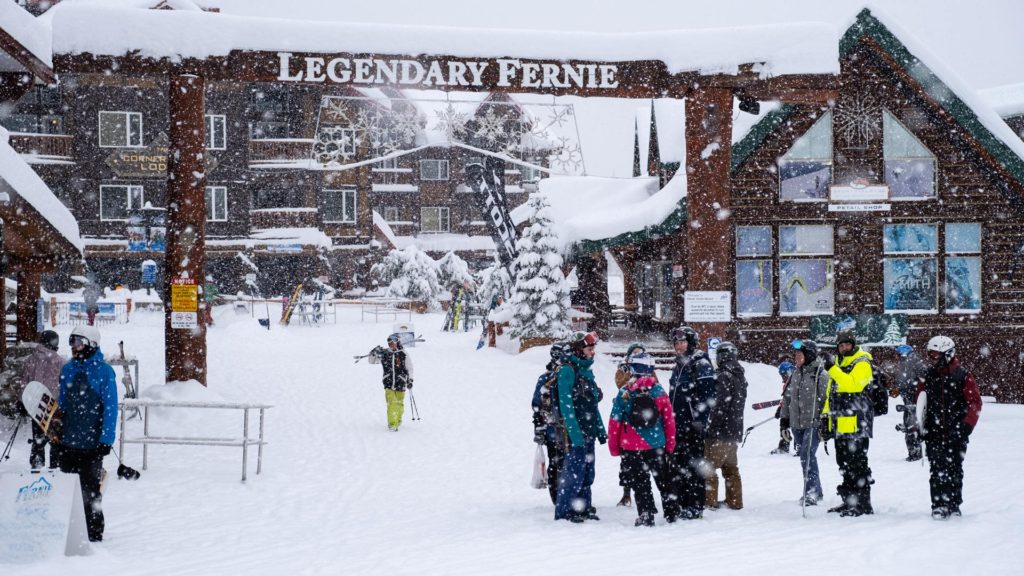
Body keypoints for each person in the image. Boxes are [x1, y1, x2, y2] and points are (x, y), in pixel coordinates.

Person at [58, 325, 118, 543]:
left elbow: (111, 407)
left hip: (92, 443)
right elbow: (62, 403)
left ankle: (93, 532)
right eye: (71, 342)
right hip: (68, 439)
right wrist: (56, 427)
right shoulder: (68, 369)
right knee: (66, 488)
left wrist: (106, 439)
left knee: (90, 490)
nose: (74, 347)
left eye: (78, 342)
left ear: (91, 343)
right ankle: (68, 529)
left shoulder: (103, 371)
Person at [915, 335, 982, 520]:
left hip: (957, 431)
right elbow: (920, 402)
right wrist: (920, 427)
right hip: (934, 432)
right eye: (931, 355)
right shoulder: (927, 375)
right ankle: (938, 505)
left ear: (948, 354)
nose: (933, 358)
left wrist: (966, 425)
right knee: (937, 469)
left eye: (936, 354)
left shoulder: (962, 375)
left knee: (954, 469)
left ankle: (953, 504)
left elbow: (975, 402)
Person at [607, 352, 675, 526]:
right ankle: (672, 511)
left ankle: (646, 514)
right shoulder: (658, 390)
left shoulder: (625, 392)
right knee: (663, 479)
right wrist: (670, 443)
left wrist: (614, 447)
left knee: (640, 482)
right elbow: (668, 420)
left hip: (631, 446)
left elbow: (615, 422)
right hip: (656, 444)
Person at [663, 326, 716, 521]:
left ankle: (695, 506)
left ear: (691, 343)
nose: (678, 346)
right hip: (678, 425)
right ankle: (682, 503)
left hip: (693, 426)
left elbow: (708, 396)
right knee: (678, 466)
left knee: (693, 467)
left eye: (682, 342)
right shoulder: (679, 365)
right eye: (676, 343)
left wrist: (699, 421)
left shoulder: (700, 364)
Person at [820, 329, 874, 517]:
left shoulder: (862, 362)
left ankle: (862, 504)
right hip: (840, 424)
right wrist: (826, 419)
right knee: (843, 464)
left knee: (857, 465)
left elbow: (853, 385)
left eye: (847, 345)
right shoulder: (839, 365)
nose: (844, 348)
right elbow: (831, 394)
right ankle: (849, 501)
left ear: (854, 345)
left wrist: (833, 369)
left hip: (858, 424)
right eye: (841, 346)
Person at [554, 331, 607, 523]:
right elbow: (566, 407)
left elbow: (592, 405)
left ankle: (583, 507)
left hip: (588, 431)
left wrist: (600, 429)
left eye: (593, 348)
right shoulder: (568, 371)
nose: (593, 352)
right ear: (579, 349)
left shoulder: (586, 370)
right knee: (574, 474)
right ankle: (565, 512)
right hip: (575, 434)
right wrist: (575, 435)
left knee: (587, 473)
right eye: (589, 348)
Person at [780, 339, 830, 505]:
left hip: (813, 423)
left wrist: (825, 421)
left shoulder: (820, 375)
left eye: (800, 354)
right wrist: (784, 421)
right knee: (805, 457)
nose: (796, 357)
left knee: (807, 455)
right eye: (795, 354)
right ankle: (817, 490)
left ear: (809, 355)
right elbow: (787, 399)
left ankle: (812, 492)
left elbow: (827, 400)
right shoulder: (796, 373)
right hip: (797, 423)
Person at [704, 342, 747, 510]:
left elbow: (719, 405)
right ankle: (735, 501)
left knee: (709, 468)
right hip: (734, 429)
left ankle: (709, 501)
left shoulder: (723, 375)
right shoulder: (739, 375)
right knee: (731, 468)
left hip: (720, 431)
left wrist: (711, 427)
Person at [20, 330, 66, 470]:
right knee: (55, 439)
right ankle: (55, 468)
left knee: (38, 438)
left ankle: (37, 465)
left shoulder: (30, 360)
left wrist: (22, 402)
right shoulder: (59, 361)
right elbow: (63, 384)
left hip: (36, 406)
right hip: (54, 406)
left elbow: (24, 383)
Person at [531, 343, 567, 505]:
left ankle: (557, 496)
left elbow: (536, 404)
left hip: (551, 428)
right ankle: (564, 494)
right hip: (566, 428)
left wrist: (539, 427)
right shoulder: (565, 375)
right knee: (566, 462)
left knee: (555, 462)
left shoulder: (545, 378)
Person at [613, 341, 647, 508]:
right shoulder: (623, 368)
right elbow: (620, 384)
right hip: (628, 422)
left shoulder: (648, 369)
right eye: (634, 353)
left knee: (644, 461)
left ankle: (644, 494)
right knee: (626, 461)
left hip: (646, 423)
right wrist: (629, 373)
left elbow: (655, 384)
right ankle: (626, 494)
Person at [369, 334, 414, 431]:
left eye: (392, 342)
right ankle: (392, 424)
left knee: (399, 405)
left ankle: (398, 419)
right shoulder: (385, 354)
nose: (390, 344)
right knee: (392, 404)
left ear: (397, 342)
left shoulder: (403, 354)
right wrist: (373, 353)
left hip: (401, 383)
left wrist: (410, 380)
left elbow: (410, 368)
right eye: (389, 343)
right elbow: (372, 361)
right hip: (388, 383)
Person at [893, 344, 927, 461]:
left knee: (912, 427)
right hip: (910, 402)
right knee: (911, 426)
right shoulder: (908, 364)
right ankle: (917, 452)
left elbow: (920, 382)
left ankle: (916, 454)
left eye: (897, 354)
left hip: (915, 403)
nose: (896, 357)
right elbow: (904, 381)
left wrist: (908, 390)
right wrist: (898, 389)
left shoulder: (914, 364)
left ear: (903, 354)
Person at [771, 357, 795, 455]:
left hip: (796, 410)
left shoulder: (795, 382)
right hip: (788, 409)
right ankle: (783, 447)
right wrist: (780, 408)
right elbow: (786, 398)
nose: (783, 377)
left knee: (797, 428)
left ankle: (800, 449)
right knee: (784, 426)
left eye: (784, 375)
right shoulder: (786, 383)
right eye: (781, 375)